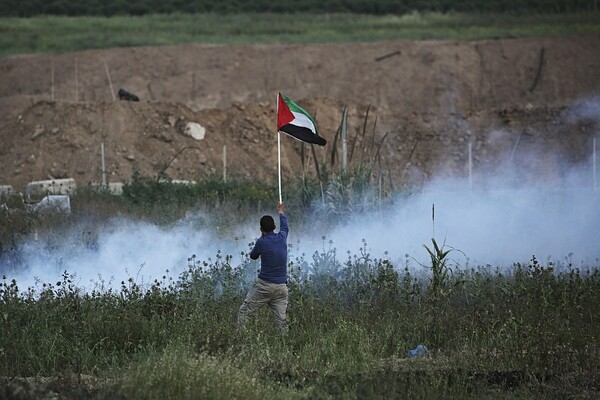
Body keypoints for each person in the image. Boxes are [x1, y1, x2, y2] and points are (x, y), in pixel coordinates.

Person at [237, 202, 289, 333]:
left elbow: (253, 256)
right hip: (282, 287)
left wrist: (262, 236)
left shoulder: (261, 242)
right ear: (274, 227)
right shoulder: (282, 237)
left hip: (264, 286)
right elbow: (285, 226)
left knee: (244, 313)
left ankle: (241, 339)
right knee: (281, 322)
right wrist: (281, 212)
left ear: (261, 229)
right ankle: (284, 344)